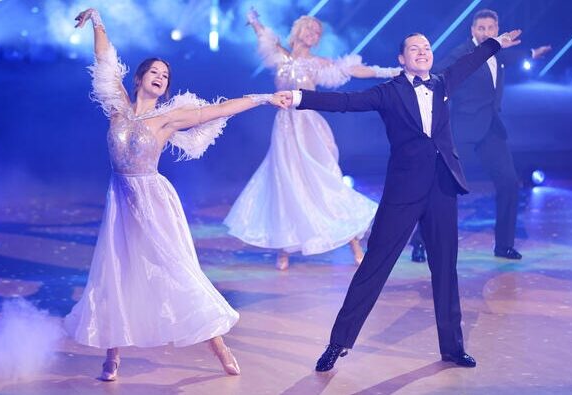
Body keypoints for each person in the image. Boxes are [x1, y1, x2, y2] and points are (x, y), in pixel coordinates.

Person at [278, 28, 522, 371]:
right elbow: (347, 103)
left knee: (445, 270)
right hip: (403, 193)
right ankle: (338, 344)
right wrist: (301, 98)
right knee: (373, 267)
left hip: (441, 189)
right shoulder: (388, 92)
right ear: (401, 59)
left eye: (426, 46)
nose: (422, 51)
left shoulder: (442, 83)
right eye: (414, 48)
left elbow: (470, 61)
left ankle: (452, 348)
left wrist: (495, 44)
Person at [64, 8, 286, 381]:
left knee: (175, 270)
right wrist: (100, 21)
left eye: (166, 76)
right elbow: (104, 61)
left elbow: (220, 109)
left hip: (152, 200)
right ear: (139, 78)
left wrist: (263, 97)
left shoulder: (168, 119)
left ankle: (218, 345)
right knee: (115, 272)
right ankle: (112, 355)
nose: (161, 78)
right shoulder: (117, 106)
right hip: (120, 199)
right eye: (155, 72)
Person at [224, 9, 400, 270]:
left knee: (324, 179)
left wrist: (390, 72)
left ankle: (354, 243)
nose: (313, 34)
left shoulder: (319, 63)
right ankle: (284, 247)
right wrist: (254, 22)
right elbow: (263, 35)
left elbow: (354, 69)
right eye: (310, 29)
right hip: (285, 127)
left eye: (317, 32)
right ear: (298, 30)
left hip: (309, 125)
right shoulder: (279, 56)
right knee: (285, 181)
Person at [409, 9, 551, 262]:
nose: (486, 33)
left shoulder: (498, 49)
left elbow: (512, 56)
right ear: (473, 31)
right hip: (461, 128)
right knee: (444, 185)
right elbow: (440, 70)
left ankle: (504, 245)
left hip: (491, 129)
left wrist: (531, 53)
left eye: (490, 28)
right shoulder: (463, 52)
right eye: (481, 28)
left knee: (509, 183)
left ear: (496, 29)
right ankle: (420, 242)